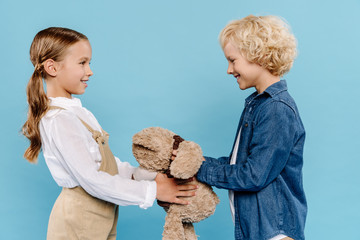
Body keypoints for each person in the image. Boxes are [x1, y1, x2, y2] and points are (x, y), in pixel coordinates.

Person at [22, 27, 197, 240]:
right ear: (52, 67)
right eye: (82, 63)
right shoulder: (60, 120)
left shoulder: (77, 112)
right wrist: (153, 191)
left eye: (89, 63)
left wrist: (149, 176)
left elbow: (104, 165)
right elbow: (92, 180)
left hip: (100, 217)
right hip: (78, 223)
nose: (90, 71)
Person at [196, 15, 307, 240]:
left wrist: (200, 170)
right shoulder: (258, 104)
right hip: (258, 231)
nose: (229, 69)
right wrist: (194, 161)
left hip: (273, 233)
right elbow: (242, 165)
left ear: (260, 55)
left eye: (233, 60)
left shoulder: (276, 108)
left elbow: (253, 176)